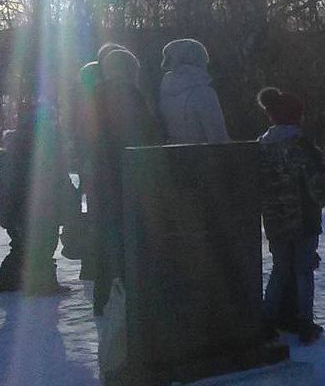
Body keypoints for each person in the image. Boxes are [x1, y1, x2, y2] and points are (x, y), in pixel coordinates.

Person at [88, 49, 160, 314]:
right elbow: (145, 136)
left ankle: (104, 299)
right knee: (130, 240)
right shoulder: (131, 94)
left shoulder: (97, 94)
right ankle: (130, 301)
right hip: (128, 177)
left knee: (107, 242)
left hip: (102, 176)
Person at [257, 88, 325, 343]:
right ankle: (305, 323)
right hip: (304, 220)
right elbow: (318, 189)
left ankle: (266, 320)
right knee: (303, 271)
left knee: (280, 270)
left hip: (275, 221)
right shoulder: (303, 146)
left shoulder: (261, 145)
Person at [0, 104, 71, 296]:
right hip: (39, 207)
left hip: (20, 208)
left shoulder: (16, 144)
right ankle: (37, 282)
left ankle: (22, 281)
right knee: (40, 246)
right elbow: (58, 177)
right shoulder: (46, 146)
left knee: (24, 247)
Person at [159, 38, 229, 144]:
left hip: (174, 155)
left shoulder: (164, 92)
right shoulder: (204, 93)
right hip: (203, 156)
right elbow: (217, 136)